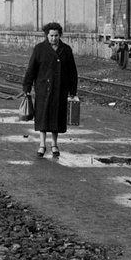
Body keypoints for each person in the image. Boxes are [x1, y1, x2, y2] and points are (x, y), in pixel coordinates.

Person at [22, 22, 78, 158]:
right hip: (43, 89)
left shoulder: (66, 50)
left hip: (60, 89)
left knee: (56, 118)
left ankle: (54, 144)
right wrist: (27, 87)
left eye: (56, 35)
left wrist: (72, 90)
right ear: (46, 35)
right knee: (42, 117)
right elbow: (31, 70)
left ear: (60, 35)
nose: (53, 38)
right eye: (51, 35)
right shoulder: (39, 49)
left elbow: (72, 72)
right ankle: (42, 145)